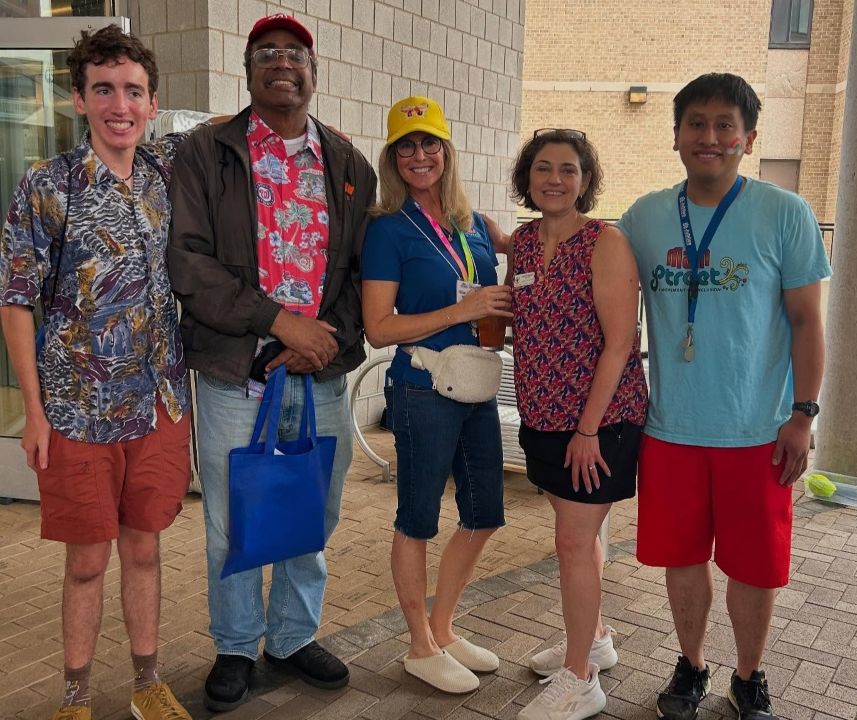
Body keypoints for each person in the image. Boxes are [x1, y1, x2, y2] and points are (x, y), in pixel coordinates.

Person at [166, 13, 376, 713]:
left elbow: (360, 271)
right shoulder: (207, 152)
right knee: (232, 521)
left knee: (310, 513)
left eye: (294, 54)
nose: (281, 62)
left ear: (314, 73)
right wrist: (278, 323)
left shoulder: (347, 164)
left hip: (321, 372)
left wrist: (323, 338)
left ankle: (291, 636)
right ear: (248, 71)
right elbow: (188, 261)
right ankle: (235, 644)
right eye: (266, 53)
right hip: (238, 373)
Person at [618, 73, 830, 720]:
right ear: (676, 135)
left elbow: (807, 322)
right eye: (696, 124)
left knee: (755, 567)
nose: (709, 137)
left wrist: (803, 414)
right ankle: (691, 665)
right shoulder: (644, 218)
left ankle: (748, 675)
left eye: (724, 125)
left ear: (749, 138)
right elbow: (594, 278)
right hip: (670, 428)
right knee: (682, 560)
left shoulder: (785, 213)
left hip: (758, 430)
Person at [0, 25, 194, 720]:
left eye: (133, 91)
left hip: (158, 403)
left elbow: (240, 127)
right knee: (86, 561)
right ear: (78, 99)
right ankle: (76, 696)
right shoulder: (46, 185)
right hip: (77, 407)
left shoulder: (167, 173)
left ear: (152, 103)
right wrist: (33, 412)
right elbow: (16, 301)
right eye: (104, 90)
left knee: (144, 551)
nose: (120, 105)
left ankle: (147, 684)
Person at [361, 96, 512, 694]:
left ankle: (443, 628)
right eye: (406, 146)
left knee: (485, 514)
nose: (418, 155)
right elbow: (379, 328)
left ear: (446, 151)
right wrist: (462, 310)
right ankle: (418, 645)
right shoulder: (387, 229)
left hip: (477, 383)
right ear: (392, 158)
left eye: (429, 143)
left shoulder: (475, 225)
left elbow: (531, 252)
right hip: (422, 387)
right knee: (417, 519)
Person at [506, 129, 648, 720]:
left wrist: (587, 430)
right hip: (541, 416)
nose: (555, 179)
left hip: (599, 423)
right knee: (578, 540)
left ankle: (580, 678)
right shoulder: (521, 242)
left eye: (568, 169)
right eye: (543, 167)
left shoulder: (605, 243)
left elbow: (619, 345)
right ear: (528, 177)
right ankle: (594, 640)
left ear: (586, 181)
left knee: (570, 543)